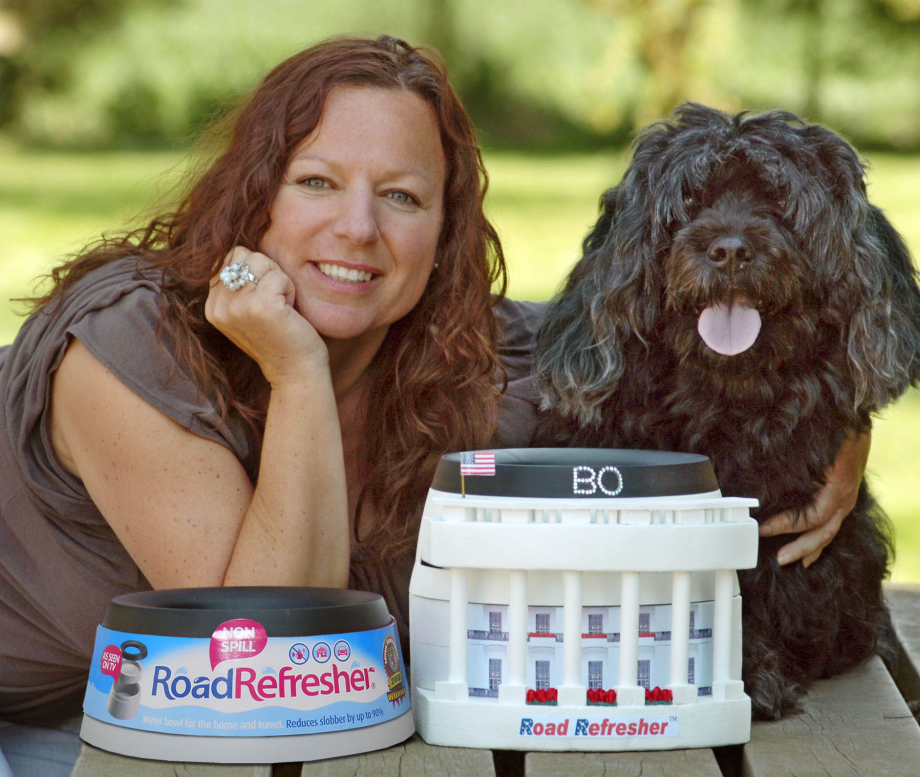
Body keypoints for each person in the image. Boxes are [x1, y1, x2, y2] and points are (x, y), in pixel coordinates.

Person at [0, 35, 867, 773]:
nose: (358, 228)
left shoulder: (477, 359)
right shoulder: (130, 342)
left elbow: (703, 340)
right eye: (315, 182)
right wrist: (298, 371)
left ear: (446, 230)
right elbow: (268, 653)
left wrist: (851, 428)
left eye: (403, 196)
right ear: (253, 193)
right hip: (39, 726)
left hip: (252, 742)